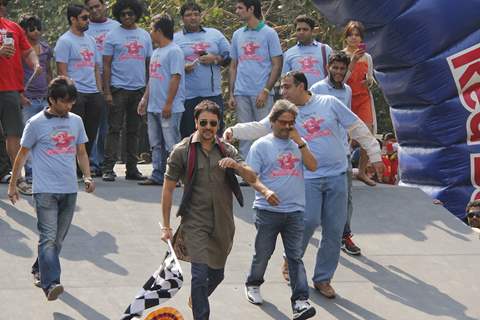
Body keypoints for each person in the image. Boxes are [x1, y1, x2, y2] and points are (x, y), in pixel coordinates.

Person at [224, 71, 384, 298]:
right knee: (307, 222)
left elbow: (356, 126)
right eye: (282, 88)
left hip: (338, 174)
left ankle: (323, 279)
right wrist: (235, 131)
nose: (283, 91)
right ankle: (291, 259)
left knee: (335, 229)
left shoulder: (329, 103)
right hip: (308, 178)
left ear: (301, 87)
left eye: (287, 87)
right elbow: (261, 127)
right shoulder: (287, 112)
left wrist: (375, 154)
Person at [161, 100, 256, 320]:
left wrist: (237, 166)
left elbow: (252, 177)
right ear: (195, 122)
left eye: (213, 123)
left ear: (218, 125)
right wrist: (166, 226)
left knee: (216, 274)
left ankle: (198, 298)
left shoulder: (226, 149)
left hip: (223, 223)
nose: (208, 127)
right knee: (199, 275)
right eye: (203, 122)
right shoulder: (181, 151)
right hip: (195, 222)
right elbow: (167, 190)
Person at [7, 76, 95, 301]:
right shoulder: (35, 123)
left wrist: (87, 176)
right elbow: (21, 155)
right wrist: (13, 184)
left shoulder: (76, 121)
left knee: (57, 240)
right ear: (52, 99)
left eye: (71, 102)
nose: (69, 106)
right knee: (47, 237)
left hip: (69, 190)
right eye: (65, 102)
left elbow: (82, 152)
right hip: (44, 190)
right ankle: (51, 283)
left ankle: (39, 268)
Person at [244, 100, 317, 320]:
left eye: (291, 123)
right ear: (273, 122)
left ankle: (300, 302)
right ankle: (253, 283)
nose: (287, 127)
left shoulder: (298, 143)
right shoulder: (261, 145)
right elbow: (250, 176)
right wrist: (265, 191)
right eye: (283, 122)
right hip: (267, 211)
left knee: (295, 257)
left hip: (295, 211)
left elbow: (313, 166)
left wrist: (301, 143)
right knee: (263, 253)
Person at [310, 51, 361, 255]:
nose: (338, 72)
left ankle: (344, 235)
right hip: (319, 152)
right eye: (335, 68)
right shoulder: (317, 89)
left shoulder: (347, 90)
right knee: (317, 197)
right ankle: (310, 230)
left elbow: (346, 118)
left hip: (342, 152)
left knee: (346, 196)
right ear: (328, 68)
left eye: (342, 68)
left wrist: (351, 138)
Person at [101, 0, 152, 182]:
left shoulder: (144, 35)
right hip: (118, 88)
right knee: (114, 129)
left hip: (138, 89)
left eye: (130, 13)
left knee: (134, 130)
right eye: (123, 14)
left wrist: (148, 90)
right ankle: (108, 168)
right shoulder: (112, 35)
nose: (127, 17)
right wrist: (106, 91)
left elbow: (149, 65)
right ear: (118, 15)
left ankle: (132, 168)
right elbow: (105, 65)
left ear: (136, 14)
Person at [229, 0, 283, 158]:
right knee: (244, 133)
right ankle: (248, 170)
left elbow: (277, 65)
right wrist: (232, 94)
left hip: (261, 92)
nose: (237, 11)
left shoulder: (269, 33)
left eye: (240, 7)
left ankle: (266, 169)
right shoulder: (237, 34)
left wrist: (266, 91)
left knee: (265, 132)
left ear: (251, 9)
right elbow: (233, 65)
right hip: (241, 93)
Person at [55, 3, 104, 170]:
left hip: (93, 92)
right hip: (76, 93)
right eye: (84, 18)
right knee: (74, 132)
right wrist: (69, 95)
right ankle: (70, 167)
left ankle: (82, 166)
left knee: (90, 133)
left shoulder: (91, 40)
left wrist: (99, 91)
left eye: (88, 17)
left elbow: (96, 67)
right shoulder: (65, 41)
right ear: (72, 19)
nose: (87, 20)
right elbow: (62, 70)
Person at [137, 14, 184, 186]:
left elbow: (176, 77)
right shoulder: (156, 52)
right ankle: (157, 174)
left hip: (169, 107)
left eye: (151, 29)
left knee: (171, 143)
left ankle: (176, 176)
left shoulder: (174, 51)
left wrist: (169, 103)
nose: (150, 32)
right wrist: (144, 99)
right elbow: (153, 78)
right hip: (153, 106)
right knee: (155, 143)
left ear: (159, 31)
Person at [0, 0, 41, 194]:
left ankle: (18, 179)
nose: (1, 6)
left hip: (10, 90)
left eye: (3, 3)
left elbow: (27, 51)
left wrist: (35, 63)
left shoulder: (13, 27)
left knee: (14, 135)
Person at [174, 2, 231, 138]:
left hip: (212, 95)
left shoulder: (215, 34)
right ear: (182, 18)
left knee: (215, 136)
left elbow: (230, 57)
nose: (193, 18)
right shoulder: (176, 38)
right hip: (187, 97)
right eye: (188, 15)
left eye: (196, 14)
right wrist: (182, 67)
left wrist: (215, 59)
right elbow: (167, 65)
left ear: (201, 16)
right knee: (189, 137)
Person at [85, 0, 120, 177]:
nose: (94, 10)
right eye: (90, 8)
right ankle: (90, 162)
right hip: (89, 81)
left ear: (104, 5)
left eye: (97, 6)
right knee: (91, 124)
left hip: (114, 81)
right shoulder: (84, 26)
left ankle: (103, 162)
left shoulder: (116, 26)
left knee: (108, 125)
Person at [18, 14, 53, 186]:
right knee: (28, 138)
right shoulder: (20, 51)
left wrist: (52, 94)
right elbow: (16, 73)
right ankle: (30, 173)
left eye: (39, 28)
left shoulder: (46, 48)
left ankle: (44, 171)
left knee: (46, 136)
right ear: (23, 31)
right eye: (32, 28)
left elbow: (49, 72)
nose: (36, 31)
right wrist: (20, 95)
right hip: (28, 99)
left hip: (44, 97)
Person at [343, 20, 377, 186]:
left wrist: (368, 82)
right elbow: (340, 80)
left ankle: (362, 172)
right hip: (347, 100)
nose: (354, 38)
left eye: (357, 35)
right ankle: (344, 170)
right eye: (351, 35)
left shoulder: (368, 57)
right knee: (345, 136)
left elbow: (371, 79)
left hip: (363, 99)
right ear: (346, 37)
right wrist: (352, 62)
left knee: (367, 133)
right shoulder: (341, 56)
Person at [282, 15, 332, 88]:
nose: (301, 32)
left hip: (321, 96)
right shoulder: (289, 53)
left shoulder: (325, 49)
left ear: (312, 31)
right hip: (297, 97)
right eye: (298, 30)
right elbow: (284, 79)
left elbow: (334, 74)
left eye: (305, 29)